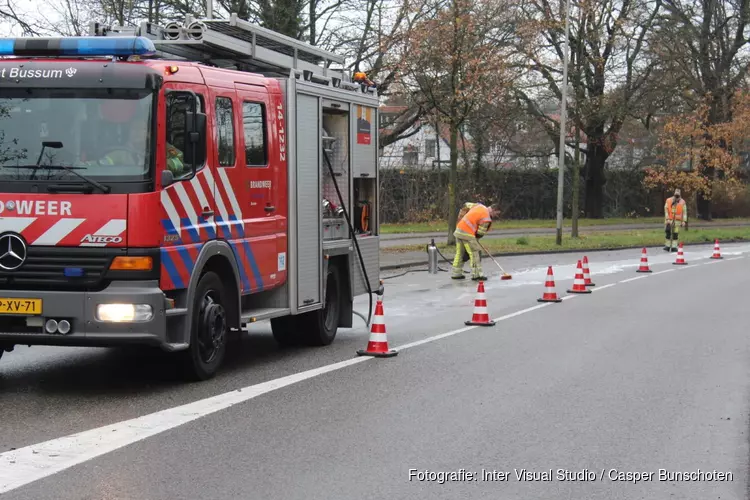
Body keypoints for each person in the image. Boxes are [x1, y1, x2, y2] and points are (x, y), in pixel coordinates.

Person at [451, 202, 499, 280]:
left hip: (459, 230)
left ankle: (456, 273)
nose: (496, 216)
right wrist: (475, 241)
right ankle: (477, 275)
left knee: (460, 253)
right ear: (493, 210)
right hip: (468, 234)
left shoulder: (479, 206)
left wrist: (460, 218)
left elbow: (465, 205)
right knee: (474, 253)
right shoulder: (486, 218)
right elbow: (479, 233)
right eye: (496, 214)